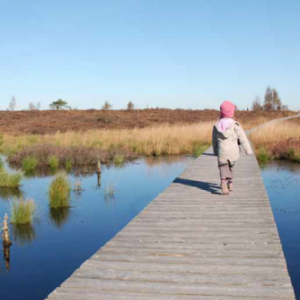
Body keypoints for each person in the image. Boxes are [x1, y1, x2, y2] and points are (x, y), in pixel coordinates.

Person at [212, 100, 253, 195]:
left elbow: (214, 141)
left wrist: (215, 151)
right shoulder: (235, 125)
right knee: (231, 167)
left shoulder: (216, 125)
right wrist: (248, 150)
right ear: (232, 112)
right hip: (233, 152)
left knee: (223, 167)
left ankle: (223, 182)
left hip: (222, 152)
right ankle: (230, 183)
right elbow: (243, 138)